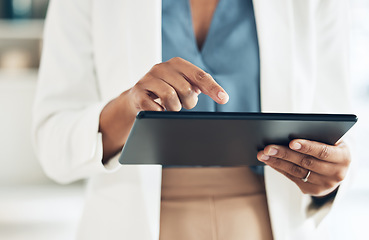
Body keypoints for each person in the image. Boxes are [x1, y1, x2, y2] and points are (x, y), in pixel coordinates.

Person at [32, 0, 353, 239]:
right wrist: (128, 107)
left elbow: (345, 138)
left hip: (265, 222)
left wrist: (328, 177)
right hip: (136, 221)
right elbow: (52, 144)